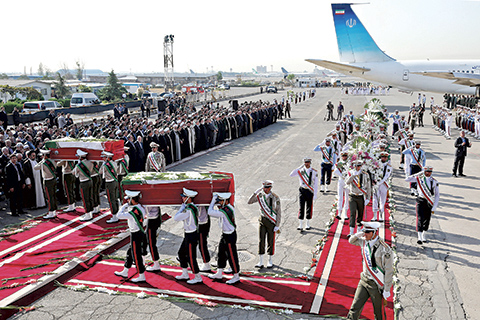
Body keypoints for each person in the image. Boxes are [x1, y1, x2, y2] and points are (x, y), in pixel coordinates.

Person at [347, 221, 394, 320]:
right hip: (364, 280)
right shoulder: (363, 241)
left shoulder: (385, 249)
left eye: (368, 232)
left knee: (378, 313)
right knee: (354, 308)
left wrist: (387, 288)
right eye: (364, 231)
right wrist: (356, 234)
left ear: (374, 233)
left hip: (376, 285)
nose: (365, 234)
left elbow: (389, 270)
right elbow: (351, 241)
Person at [114, 190, 148, 282]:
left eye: (128, 199)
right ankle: (125, 270)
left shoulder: (132, 212)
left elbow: (119, 215)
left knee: (136, 255)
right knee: (130, 253)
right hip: (139, 233)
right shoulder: (140, 207)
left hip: (136, 234)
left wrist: (124, 206)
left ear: (132, 200)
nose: (127, 201)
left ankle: (141, 275)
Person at [207, 192, 241, 285]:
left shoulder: (225, 211)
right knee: (221, 253)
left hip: (230, 235)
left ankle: (236, 276)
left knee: (232, 256)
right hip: (225, 234)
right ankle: (219, 272)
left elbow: (209, 212)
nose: (219, 202)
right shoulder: (227, 207)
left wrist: (213, 201)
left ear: (225, 201)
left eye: (221, 201)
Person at [247, 180, 281, 269]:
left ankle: (270, 260)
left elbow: (278, 212)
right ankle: (261, 261)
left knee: (270, 241)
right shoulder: (260, 196)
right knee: (261, 240)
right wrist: (255, 193)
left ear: (270, 188)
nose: (265, 189)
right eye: (264, 187)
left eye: (267, 188)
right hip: (262, 220)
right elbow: (249, 202)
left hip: (271, 222)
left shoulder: (275, 197)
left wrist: (277, 225)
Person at [173, 188, 203, 285]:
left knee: (191, 256)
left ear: (189, 198)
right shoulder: (192, 207)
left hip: (191, 235)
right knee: (181, 253)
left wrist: (182, 207)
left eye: (184, 197)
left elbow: (176, 218)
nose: (183, 198)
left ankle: (197, 276)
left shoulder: (188, 210)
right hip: (189, 234)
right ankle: (185, 273)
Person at [405, 166, 439, 244]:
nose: (428, 173)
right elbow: (407, 179)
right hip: (420, 200)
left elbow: (437, 195)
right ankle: (419, 237)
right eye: (426, 171)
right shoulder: (419, 179)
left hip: (429, 201)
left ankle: (423, 235)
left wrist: (434, 207)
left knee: (427, 219)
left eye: (429, 172)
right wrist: (419, 173)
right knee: (420, 218)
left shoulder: (434, 181)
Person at [289, 157, 318, 230]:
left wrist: (315, 194)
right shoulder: (300, 171)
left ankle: (307, 224)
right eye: (305, 162)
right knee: (301, 207)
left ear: (310, 163)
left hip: (310, 190)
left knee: (309, 207)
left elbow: (316, 184)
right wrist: (300, 167)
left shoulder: (314, 172)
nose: (306, 164)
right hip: (302, 190)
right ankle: (300, 224)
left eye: (308, 162)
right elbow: (291, 174)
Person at [345, 160, 372, 237]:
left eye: (359, 166)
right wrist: (353, 176)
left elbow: (368, 187)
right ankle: (351, 231)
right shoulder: (350, 173)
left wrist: (368, 198)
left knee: (360, 213)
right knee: (352, 213)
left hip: (360, 196)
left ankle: (359, 230)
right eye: (356, 166)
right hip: (352, 195)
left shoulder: (365, 174)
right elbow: (347, 182)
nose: (357, 167)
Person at [34, 149, 58, 219]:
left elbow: (35, 167)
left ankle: (51, 212)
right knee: (53, 196)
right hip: (53, 179)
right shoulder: (53, 161)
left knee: (49, 197)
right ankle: (54, 211)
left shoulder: (44, 163)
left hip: (48, 181)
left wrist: (42, 161)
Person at [99, 151, 120, 223]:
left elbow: (100, 172)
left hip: (109, 183)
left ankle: (114, 216)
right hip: (115, 181)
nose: (103, 159)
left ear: (107, 157)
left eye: (104, 157)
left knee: (111, 200)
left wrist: (103, 164)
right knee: (115, 199)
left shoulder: (105, 165)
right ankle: (117, 213)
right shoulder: (114, 163)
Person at [73, 149, 95, 221]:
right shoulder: (90, 162)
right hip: (90, 180)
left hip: (83, 182)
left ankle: (88, 214)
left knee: (85, 198)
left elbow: (73, 172)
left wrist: (77, 165)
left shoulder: (79, 165)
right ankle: (91, 211)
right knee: (90, 197)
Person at [372, 152, 392, 222]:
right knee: (375, 199)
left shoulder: (389, 166)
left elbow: (386, 176)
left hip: (383, 185)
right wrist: (374, 181)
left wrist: (379, 183)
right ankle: (374, 216)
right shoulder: (376, 165)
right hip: (376, 184)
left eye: (385, 157)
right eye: (382, 157)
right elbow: (373, 173)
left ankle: (381, 216)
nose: (384, 158)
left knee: (382, 200)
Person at [145, 205, 162, 271]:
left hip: (152, 219)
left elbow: (147, 210)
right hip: (155, 217)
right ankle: (155, 263)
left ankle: (156, 264)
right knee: (149, 242)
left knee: (151, 243)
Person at [333, 151, 350, 220]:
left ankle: (345, 213)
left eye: (345, 156)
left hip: (347, 181)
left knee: (347, 197)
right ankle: (339, 213)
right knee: (340, 197)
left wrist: (347, 177)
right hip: (341, 180)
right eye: (343, 156)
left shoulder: (349, 163)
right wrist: (342, 176)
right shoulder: (338, 164)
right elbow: (335, 171)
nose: (344, 157)